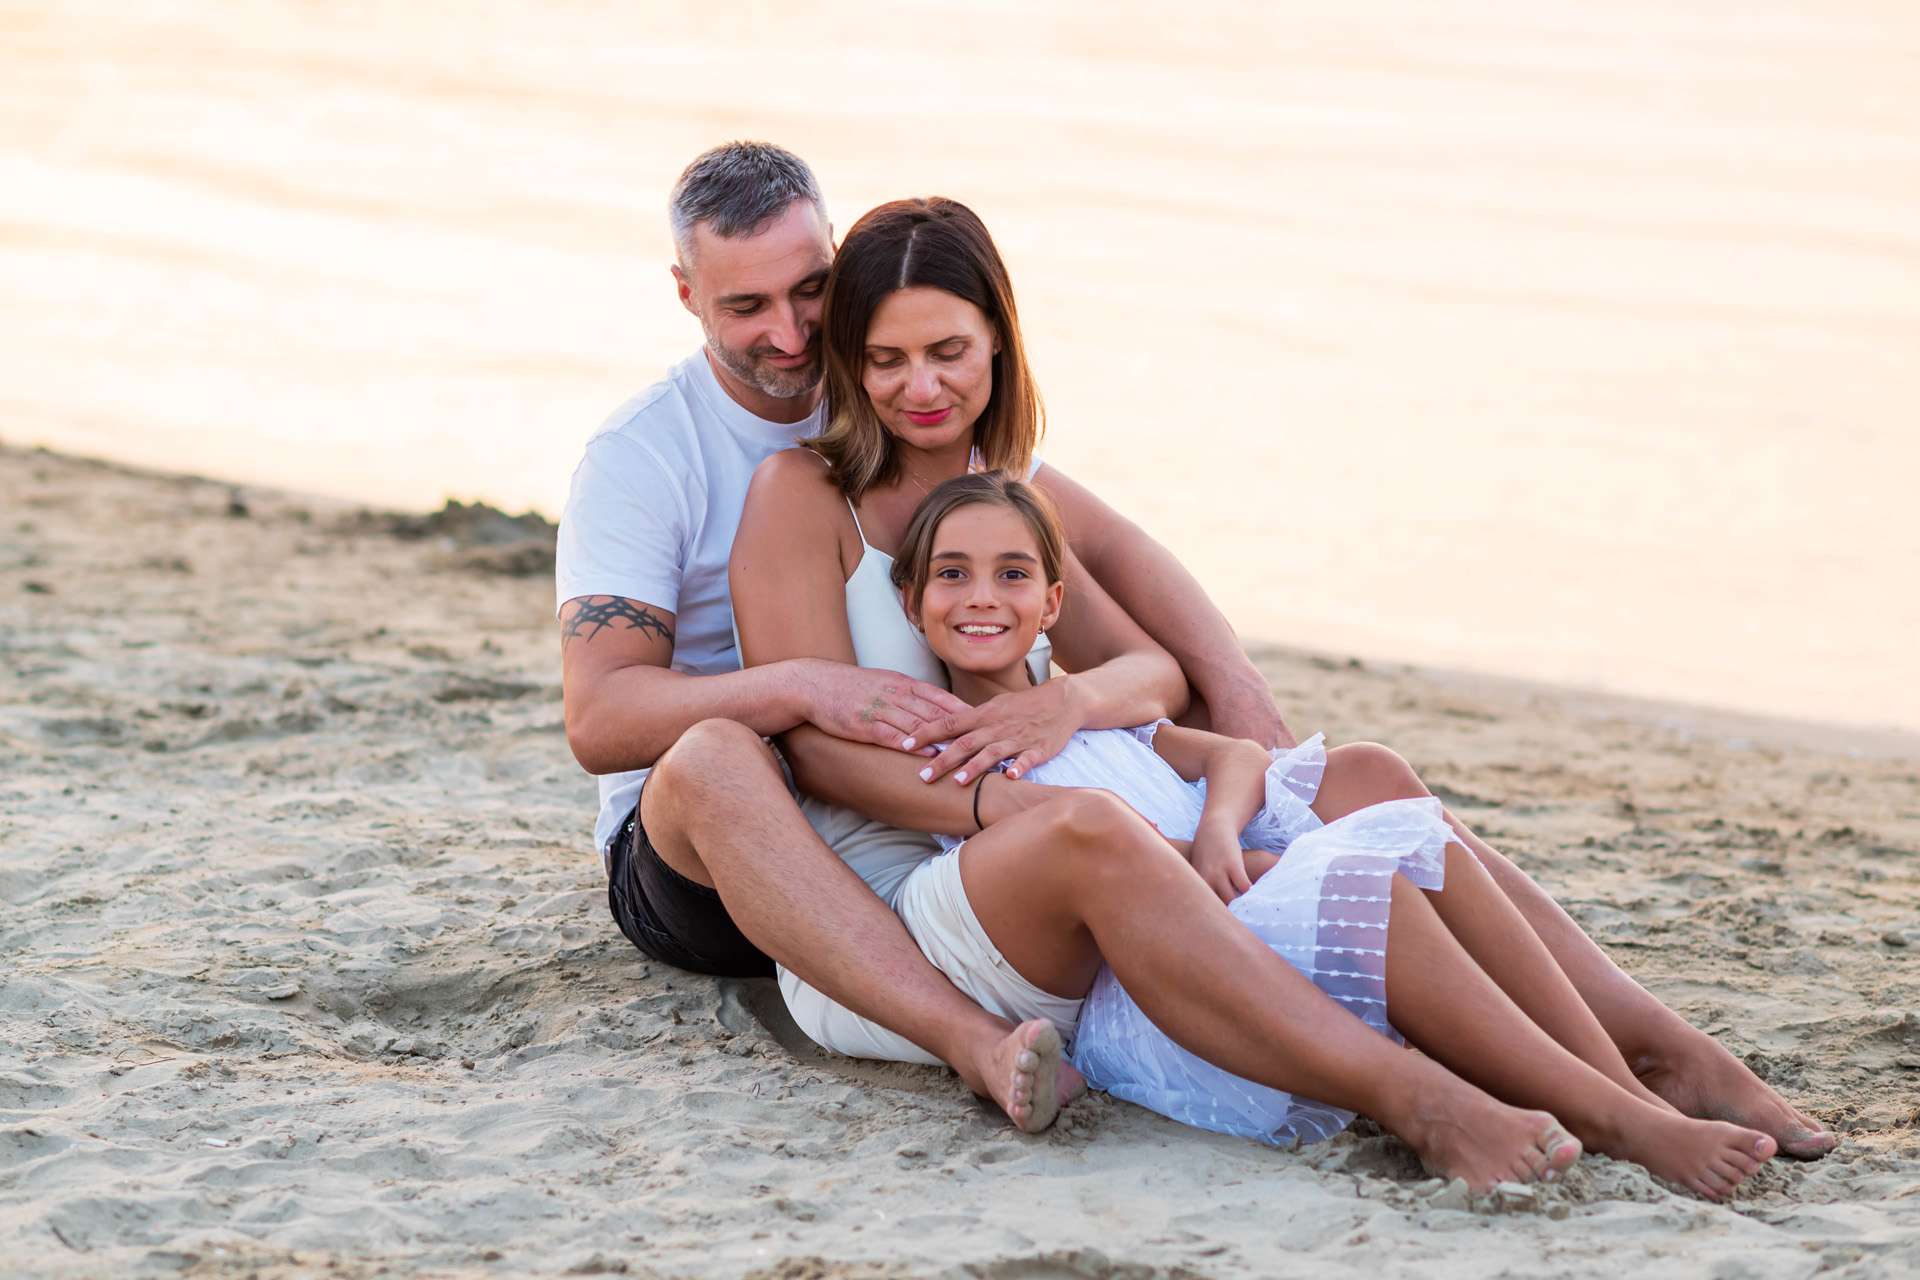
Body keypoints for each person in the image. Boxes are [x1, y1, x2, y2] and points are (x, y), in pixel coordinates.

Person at [722, 188, 1835, 1163]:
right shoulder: (802, 496)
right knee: (1188, 841)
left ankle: (1644, 1053)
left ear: (998, 346)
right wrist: (1011, 798)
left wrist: (1070, 698)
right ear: (850, 362)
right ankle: (1584, 1091)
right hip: (903, 895)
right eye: (886, 358)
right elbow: (816, 752)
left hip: (1043, 831)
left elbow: (1151, 667)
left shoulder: (999, 490)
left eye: (948, 351)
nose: (920, 385)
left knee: (1368, 776)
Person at [557, 141, 1281, 1132]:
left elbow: (1110, 543)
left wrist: (1236, 688)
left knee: (1209, 744)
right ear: (687, 293)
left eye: (810, 291)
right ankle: (972, 1041)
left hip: (911, 806)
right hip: (716, 852)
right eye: (747, 305)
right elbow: (600, 718)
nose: (790, 333)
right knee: (720, 754)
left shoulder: (894, 386)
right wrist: (798, 686)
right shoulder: (644, 454)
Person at [835, 467, 1788, 1198]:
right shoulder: (953, 749)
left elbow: (1234, 757)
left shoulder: (1090, 713)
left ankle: (1617, 1083)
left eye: (1011, 574)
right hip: (1168, 983)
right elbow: (1079, 865)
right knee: (1366, 881)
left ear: (1051, 604)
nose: (982, 597)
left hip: (1239, 891)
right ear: (912, 602)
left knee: (1386, 799)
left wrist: (1218, 833)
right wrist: (1219, 859)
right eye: (952, 576)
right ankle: (1618, 1118)